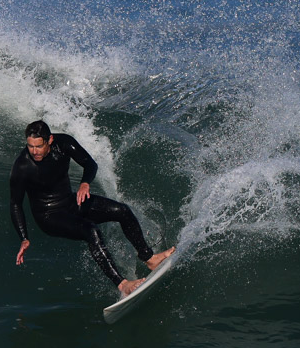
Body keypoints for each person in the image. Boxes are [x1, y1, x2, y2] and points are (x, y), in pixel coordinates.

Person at [10, 120, 176, 296]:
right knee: (91, 231)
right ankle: (122, 285)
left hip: (71, 202)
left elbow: (90, 164)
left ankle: (149, 258)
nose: (34, 151)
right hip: (48, 215)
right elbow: (15, 204)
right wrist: (24, 237)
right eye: (30, 146)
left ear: (49, 140)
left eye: (38, 146)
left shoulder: (64, 144)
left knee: (122, 211)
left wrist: (85, 183)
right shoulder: (22, 166)